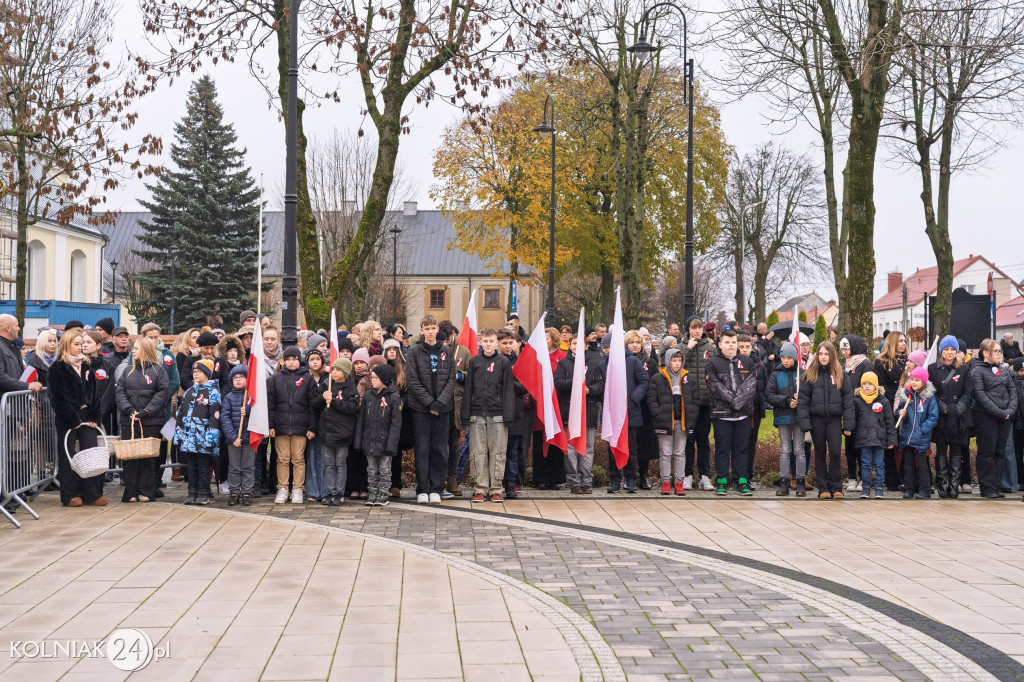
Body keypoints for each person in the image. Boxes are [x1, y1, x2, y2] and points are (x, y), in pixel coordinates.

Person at [49, 330, 106, 507]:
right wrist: (73, 420)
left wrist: (95, 416)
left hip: (87, 415)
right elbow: (57, 398)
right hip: (68, 418)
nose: (80, 347)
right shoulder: (57, 368)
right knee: (68, 455)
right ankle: (70, 494)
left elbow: (95, 394)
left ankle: (92, 493)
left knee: (91, 453)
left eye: (81, 344)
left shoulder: (86, 366)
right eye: (76, 344)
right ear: (66, 345)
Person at [406, 315, 457, 504]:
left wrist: (440, 402)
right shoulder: (414, 352)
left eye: (433, 328)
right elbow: (412, 381)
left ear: (437, 330)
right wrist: (429, 402)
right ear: (421, 330)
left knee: (439, 449)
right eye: (426, 328)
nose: (430, 331)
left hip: (443, 409)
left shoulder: (447, 351)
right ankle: (423, 488)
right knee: (422, 449)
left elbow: (451, 379)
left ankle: (437, 487)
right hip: (421, 409)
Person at [461, 328, 514, 502]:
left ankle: (496, 488)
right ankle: (480, 488)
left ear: (496, 342)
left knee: (498, 452)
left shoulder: (503, 362)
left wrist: (508, 414)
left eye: (491, 341)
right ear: (480, 342)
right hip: (477, 413)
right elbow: (468, 389)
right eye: (485, 341)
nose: (488, 344)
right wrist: (465, 413)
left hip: (497, 414)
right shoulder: (475, 362)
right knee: (477, 452)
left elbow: (508, 389)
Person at [798, 341, 855, 499]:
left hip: (835, 420)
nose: (823, 357)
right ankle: (823, 487)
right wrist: (805, 423)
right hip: (817, 420)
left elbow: (848, 400)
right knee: (820, 453)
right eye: (821, 354)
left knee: (836, 452)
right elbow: (803, 401)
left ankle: (836, 486)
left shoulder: (840, 374)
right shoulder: (810, 374)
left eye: (826, 354)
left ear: (832, 355)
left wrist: (848, 424)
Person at [115, 338, 169, 503]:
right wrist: (129, 410)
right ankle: (130, 492)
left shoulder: (159, 371)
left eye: (137, 348)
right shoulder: (127, 371)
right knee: (130, 458)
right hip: (129, 421)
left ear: (145, 350)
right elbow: (120, 392)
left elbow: (162, 393)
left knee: (148, 458)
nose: (133, 351)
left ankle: (146, 491)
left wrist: (147, 411)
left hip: (150, 421)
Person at [704, 329, 758, 496]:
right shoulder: (712, 363)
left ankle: (741, 481)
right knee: (722, 448)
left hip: (743, 414)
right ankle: (722, 481)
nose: (731, 346)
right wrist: (733, 401)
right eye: (727, 343)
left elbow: (751, 385)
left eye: (733, 342)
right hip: (722, 415)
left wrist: (738, 402)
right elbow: (714, 386)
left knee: (741, 449)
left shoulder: (747, 362)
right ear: (720, 344)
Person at [597, 331, 650, 493]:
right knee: (612, 448)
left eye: (609, 347)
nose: (606, 350)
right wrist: (606, 399)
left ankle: (631, 479)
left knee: (631, 448)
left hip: (630, 412)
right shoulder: (603, 365)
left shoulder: (633, 361)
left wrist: (633, 398)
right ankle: (614, 479)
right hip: (612, 414)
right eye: (605, 347)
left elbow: (643, 381)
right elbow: (601, 387)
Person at [970, 339, 1018, 498]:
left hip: (1004, 416)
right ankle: (988, 487)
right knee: (987, 451)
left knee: (1000, 451)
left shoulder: (1004, 371)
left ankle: (997, 485)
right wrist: (999, 412)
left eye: (1000, 351)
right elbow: (980, 395)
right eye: (996, 351)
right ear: (985, 353)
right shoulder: (977, 371)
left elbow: (1012, 391)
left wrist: (1010, 410)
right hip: (986, 416)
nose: (1000, 354)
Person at [646, 348, 697, 495]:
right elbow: (651, 399)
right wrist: (658, 414)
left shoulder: (688, 377)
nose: (677, 363)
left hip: (682, 422)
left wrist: (691, 416)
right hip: (665, 422)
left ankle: (679, 482)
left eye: (679, 360)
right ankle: (666, 482)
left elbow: (694, 400)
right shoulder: (658, 378)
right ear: (668, 361)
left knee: (680, 453)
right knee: (665, 453)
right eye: (674, 360)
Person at [267, 346, 313, 504]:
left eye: (294, 359)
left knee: (298, 458)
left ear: (299, 360)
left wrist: (311, 427)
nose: (291, 362)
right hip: (281, 426)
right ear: (283, 361)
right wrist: (271, 425)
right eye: (288, 359)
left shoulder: (307, 378)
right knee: (283, 458)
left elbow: (312, 405)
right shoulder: (275, 379)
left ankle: (298, 489)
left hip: (301, 426)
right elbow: (271, 404)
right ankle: (282, 488)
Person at [928, 336, 970, 498]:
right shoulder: (932, 368)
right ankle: (942, 485)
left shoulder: (964, 369)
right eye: (946, 349)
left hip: (958, 417)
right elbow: (931, 391)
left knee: (956, 451)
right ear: (941, 351)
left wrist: (959, 408)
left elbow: (968, 391)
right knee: (941, 451)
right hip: (941, 416)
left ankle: (954, 485)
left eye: (953, 349)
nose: (950, 352)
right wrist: (943, 407)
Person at [175, 358, 221, 505]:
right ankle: (192, 492)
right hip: (189, 438)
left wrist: (211, 438)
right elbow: (180, 414)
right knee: (192, 466)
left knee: (203, 466)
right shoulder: (189, 392)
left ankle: (203, 492)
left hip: (203, 438)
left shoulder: (212, 392)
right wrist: (179, 434)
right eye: (194, 372)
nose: (195, 375)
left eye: (199, 372)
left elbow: (215, 417)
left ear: (207, 374)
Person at [354, 363, 402, 506]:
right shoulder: (368, 396)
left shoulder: (394, 397)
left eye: (375, 377)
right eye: (371, 377)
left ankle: (383, 493)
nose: (372, 380)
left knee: (385, 469)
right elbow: (361, 420)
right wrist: (359, 441)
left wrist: (391, 444)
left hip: (385, 441)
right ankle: (373, 492)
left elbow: (395, 424)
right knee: (372, 469)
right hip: (370, 441)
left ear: (385, 379)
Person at [315, 358, 360, 506]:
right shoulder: (327, 385)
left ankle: (340, 493)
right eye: (333, 369)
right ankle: (330, 491)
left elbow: (351, 408)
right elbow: (314, 404)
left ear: (345, 372)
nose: (334, 372)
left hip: (343, 434)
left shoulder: (351, 389)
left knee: (340, 463)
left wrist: (333, 400)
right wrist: (323, 398)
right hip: (327, 432)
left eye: (338, 370)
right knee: (329, 464)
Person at [681, 315, 715, 491]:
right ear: (688, 329)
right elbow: (676, 365)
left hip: (705, 403)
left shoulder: (710, 348)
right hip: (687, 404)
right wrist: (687, 348)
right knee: (687, 441)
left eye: (699, 327)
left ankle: (704, 476)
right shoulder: (681, 347)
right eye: (694, 327)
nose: (697, 330)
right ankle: (687, 475)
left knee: (703, 441)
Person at [767, 342, 805, 496]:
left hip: (799, 418)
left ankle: (800, 482)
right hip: (783, 417)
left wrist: (800, 398)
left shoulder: (802, 373)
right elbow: (769, 395)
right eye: (783, 357)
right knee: (785, 449)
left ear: (794, 358)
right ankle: (784, 482)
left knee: (799, 449)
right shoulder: (776, 374)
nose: (785, 360)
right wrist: (787, 400)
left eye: (788, 357)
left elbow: (810, 393)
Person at [851, 372, 896, 499]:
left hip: (879, 439)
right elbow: (852, 419)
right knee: (864, 464)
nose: (866, 386)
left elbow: (889, 422)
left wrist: (891, 439)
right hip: (863, 439)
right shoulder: (857, 401)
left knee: (879, 464)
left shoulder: (884, 401)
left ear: (876, 386)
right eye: (864, 384)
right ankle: (865, 488)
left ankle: (879, 488)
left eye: (870, 384)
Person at [896, 367, 939, 499]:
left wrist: (922, 430)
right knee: (908, 464)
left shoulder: (929, 398)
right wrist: (900, 414)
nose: (913, 382)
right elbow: (900, 411)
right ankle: (909, 489)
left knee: (922, 464)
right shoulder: (907, 395)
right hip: (908, 436)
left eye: (917, 380)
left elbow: (933, 417)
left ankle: (925, 489)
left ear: (924, 382)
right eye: (912, 379)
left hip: (921, 436)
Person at [874, 331, 907, 491]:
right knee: (890, 443)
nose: (903, 344)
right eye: (900, 341)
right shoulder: (881, 362)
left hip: (905, 404)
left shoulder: (908, 362)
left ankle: (903, 476)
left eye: (905, 341)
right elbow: (880, 384)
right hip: (888, 404)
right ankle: (891, 478)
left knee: (903, 442)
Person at [840, 334, 874, 492]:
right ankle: (852, 476)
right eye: (843, 348)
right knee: (849, 447)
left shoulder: (865, 364)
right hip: (848, 412)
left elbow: (867, 387)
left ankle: (864, 478)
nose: (844, 351)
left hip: (861, 412)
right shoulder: (845, 366)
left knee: (861, 447)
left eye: (847, 348)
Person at [497, 329, 528, 498]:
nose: (508, 346)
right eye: (504, 343)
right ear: (498, 343)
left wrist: (507, 383)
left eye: (511, 343)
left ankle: (510, 484)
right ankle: (496, 483)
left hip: (515, 412)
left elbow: (523, 386)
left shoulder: (520, 362)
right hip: (496, 411)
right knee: (496, 451)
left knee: (512, 453)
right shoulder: (494, 360)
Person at [627, 330, 659, 489]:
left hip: (645, 409)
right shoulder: (623, 361)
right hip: (629, 408)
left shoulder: (650, 362)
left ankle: (644, 475)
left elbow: (654, 385)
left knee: (645, 445)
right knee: (630, 444)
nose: (634, 345)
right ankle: (629, 475)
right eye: (631, 342)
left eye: (637, 342)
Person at [443, 321, 471, 499]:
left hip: (456, 403)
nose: (446, 341)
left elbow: (471, 374)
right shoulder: (436, 350)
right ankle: (437, 479)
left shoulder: (463, 351)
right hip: (440, 404)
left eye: (448, 337)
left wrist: (460, 375)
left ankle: (452, 479)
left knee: (453, 445)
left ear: (453, 334)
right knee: (439, 446)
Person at [738, 333, 768, 489]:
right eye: (741, 347)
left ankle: (747, 476)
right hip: (737, 411)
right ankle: (737, 475)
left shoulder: (759, 365)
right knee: (738, 445)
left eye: (747, 347)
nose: (744, 350)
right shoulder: (733, 363)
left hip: (754, 410)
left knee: (750, 445)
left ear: (752, 347)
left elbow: (764, 388)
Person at [382, 338, 412, 497]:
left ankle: (395, 484)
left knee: (397, 450)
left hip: (401, 416)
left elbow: (409, 393)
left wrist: (400, 403)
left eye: (394, 349)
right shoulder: (382, 369)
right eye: (388, 349)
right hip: (384, 414)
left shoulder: (404, 369)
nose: (391, 352)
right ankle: (384, 483)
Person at [221, 365, 254, 506]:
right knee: (234, 467)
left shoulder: (252, 399)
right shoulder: (228, 398)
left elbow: (258, 416)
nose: (238, 380)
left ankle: (247, 491)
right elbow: (225, 418)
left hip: (249, 439)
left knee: (248, 467)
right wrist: (233, 437)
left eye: (241, 377)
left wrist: (248, 409)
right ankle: (234, 491)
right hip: (234, 439)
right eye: (235, 378)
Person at [303, 349, 329, 502]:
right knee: (312, 457)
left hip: (326, 424)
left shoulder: (328, 378)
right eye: (311, 359)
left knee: (325, 458)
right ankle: (313, 491)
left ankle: (325, 490)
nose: (315, 362)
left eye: (317, 359)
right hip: (309, 423)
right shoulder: (305, 378)